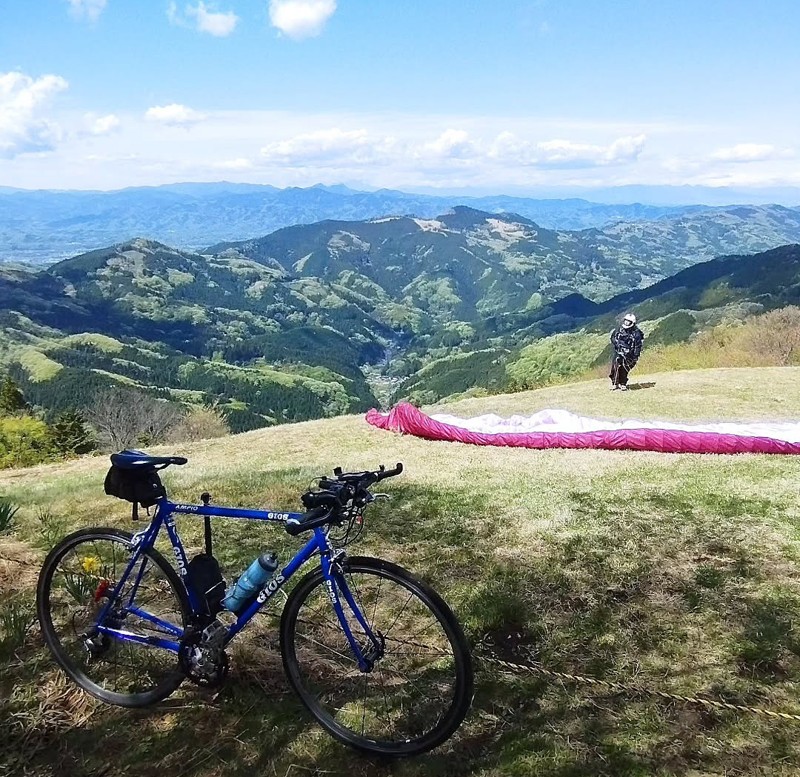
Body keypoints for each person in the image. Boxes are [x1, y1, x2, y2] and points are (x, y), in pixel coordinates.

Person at [609, 313, 644, 391]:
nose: (626, 323)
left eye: (628, 322)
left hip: (630, 355)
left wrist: (635, 356)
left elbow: (638, 346)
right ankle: (615, 383)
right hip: (618, 352)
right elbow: (613, 337)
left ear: (632, 323)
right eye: (625, 321)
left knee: (625, 369)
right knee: (615, 367)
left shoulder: (636, 333)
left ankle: (623, 384)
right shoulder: (619, 329)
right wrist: (617, 345)